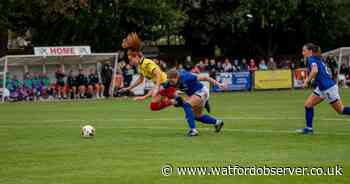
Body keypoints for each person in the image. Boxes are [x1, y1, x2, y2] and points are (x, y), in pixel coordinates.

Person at [297, 43, 350, 134]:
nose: (303, 53)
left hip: (328, 88)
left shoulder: (311, 59)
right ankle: (309, 129)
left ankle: (309, 128)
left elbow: (315, 71)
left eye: (304, 50)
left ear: (310, 51)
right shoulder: (316, 58)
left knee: (341, 110)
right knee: (308, 105)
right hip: (322, 88)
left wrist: (307, 81)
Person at [120, 32, 176, 111]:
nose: (130, 62)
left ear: (136, 56)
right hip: (162, 85)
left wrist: (156, 87)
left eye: (130, 59)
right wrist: (128, 88)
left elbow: (158, 73)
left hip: (166, 84)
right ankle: (175, 101)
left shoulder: (146, 62)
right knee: (154, 106)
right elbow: (140, 80)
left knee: (179, 101)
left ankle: (177, 101)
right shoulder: (140, 66)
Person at [164, 69, 226, 136]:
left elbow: (205, 78)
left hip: (202, 91)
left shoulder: (186, 77)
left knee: (186, 105)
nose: (171, 83)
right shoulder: (169, 83)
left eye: (172, 81)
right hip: (195, 95)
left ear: (177, 77)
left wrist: (218, 84)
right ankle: (217, 122)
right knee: (197, 116)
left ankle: (193, 130)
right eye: (169, 81)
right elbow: (163, 88)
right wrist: (176, 98)